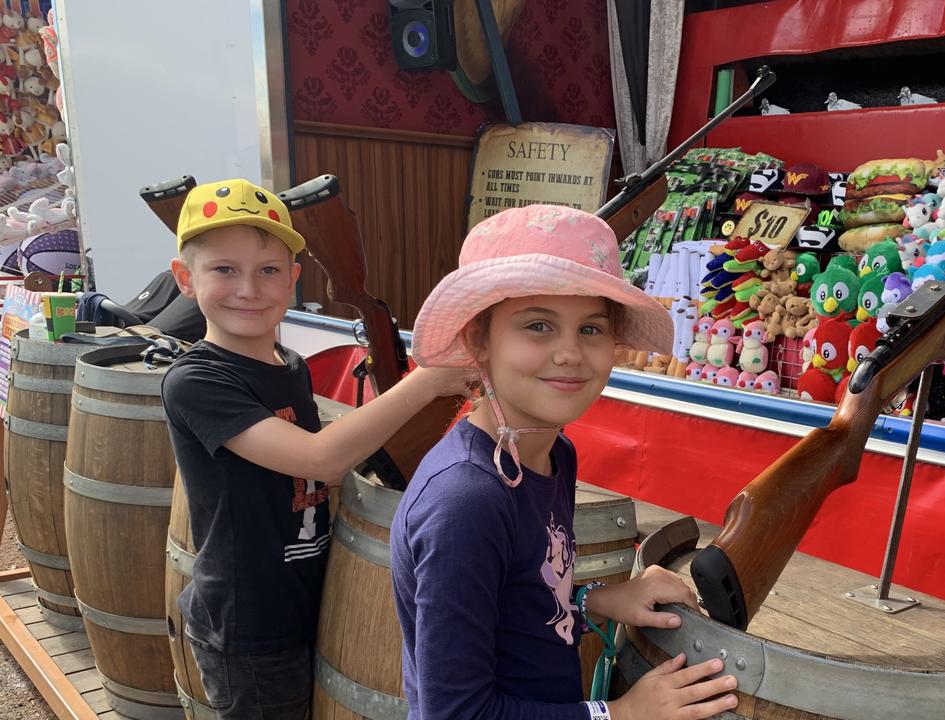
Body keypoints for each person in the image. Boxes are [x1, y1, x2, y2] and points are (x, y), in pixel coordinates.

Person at [392, 204, 740, 720]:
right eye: (538, 325)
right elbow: (456, 713)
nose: (570, 353)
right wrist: (619, 714)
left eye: (592, 330)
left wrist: (595, 599)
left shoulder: (554, 453)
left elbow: (524, 592)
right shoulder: (465, 504)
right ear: (477, 340)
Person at [161, 179, 470, 720]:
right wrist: (428, 382)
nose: (249, 289)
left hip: (311, 598)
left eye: (269, 270)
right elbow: (319, 458)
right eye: (224, 270)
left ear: (293, 280)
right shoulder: (196, 380)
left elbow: (323, 476)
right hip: (248, 623)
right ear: (186, 279)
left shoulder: (290, 365)